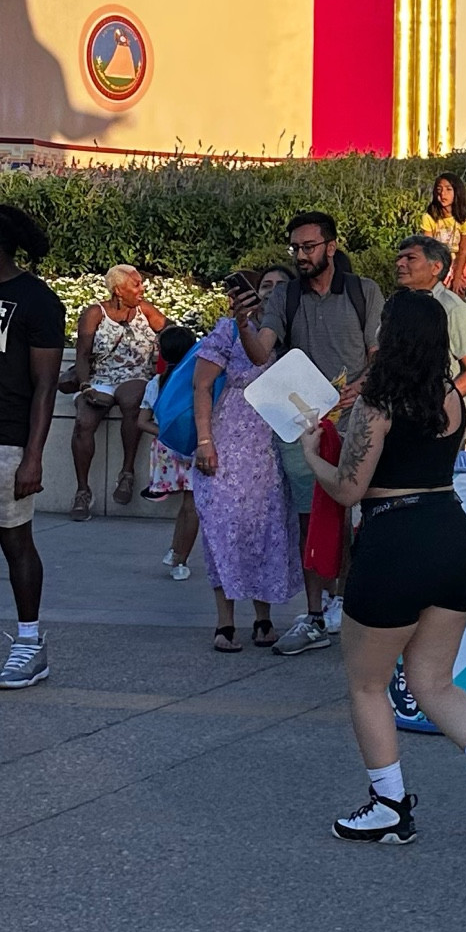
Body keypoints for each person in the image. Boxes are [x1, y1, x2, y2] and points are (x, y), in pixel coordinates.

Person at [300, 289, 466, 848]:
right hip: (452, 539)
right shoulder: (452, 397)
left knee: (367, 682)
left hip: (394, 541)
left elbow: (351, 488)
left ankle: (389, 806)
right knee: (434, 680)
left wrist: (313, 453)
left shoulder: (376, 402)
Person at [249, 212, 383, 653]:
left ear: (331, 245)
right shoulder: (285, 296)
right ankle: (312, 616)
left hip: (357, 422)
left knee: (356, 519)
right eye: (295, 248)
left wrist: (357, 391)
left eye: (309, 246)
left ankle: (345, 606)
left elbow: (379, 356)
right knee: (311, 519)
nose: (301, 255)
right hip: (304, 425)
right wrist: (243, 323)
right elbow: (262, 352)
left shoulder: (364, 292)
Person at [192, 269, 304, 653]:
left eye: (279, 287)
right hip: (226, 441)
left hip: (270, 447)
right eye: (265, 286)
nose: (271, 293)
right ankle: (225, 623)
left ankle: (263, 619)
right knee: (223, 532)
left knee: (267, 531)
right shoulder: (227, 331)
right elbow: (202, 385)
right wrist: (205, 441)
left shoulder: (290, 334)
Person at [0, 204, 67, 689]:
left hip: (8, 439)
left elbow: (45, 385)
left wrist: (33, 455)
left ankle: (30, 643)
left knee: (15, 542)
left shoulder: (37, 300)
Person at [62, 264, 167, 519]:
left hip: (135, 375)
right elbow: (83, 355)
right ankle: (83, 491)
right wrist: (86, 386)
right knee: (83, 421)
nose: (142, 289)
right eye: (136, 284)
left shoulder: (146, 311)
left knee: (133, 401)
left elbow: (174, 334)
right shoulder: (94, 313)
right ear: (118, 290)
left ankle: (127, 472)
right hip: (100, 377)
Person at [139, 323, 200, 581]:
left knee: (185, 507)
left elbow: (141, 421)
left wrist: (165, 432)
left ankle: (176, 549)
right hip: (195, 447)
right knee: (192, 506)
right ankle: (181, 558)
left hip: (167, 449)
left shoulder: (156, 382)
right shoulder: (197, 382)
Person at [394, 237, 466, 397]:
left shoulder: (452, 308)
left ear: (436, 267)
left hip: (435, 416)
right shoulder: (396, 305)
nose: (400, 264)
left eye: (410, 258)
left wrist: (440, 403)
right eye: (399, 258)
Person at [422, 172, 466, 297]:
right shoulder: (430, 217)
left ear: (457, 192)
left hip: (460, 261)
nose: (443, 194)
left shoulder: (463, 219)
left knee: (458, 295)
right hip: (440, 260)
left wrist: (457, 277)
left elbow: (463, 250)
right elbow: (428, 247)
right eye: (439, 190)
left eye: (448, 189)